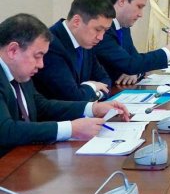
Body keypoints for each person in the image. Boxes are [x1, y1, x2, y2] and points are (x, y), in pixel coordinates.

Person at [0, 13, 129, 157]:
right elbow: (5, 131)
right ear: (13, 50)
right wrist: (71, 129)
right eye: (37, 56)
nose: (41, 64)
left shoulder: (19, 73)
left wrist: (92, 108)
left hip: (24, 157)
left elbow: (41, 106)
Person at [95, 0, 170, 85]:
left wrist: (137, 73)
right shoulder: (102, 31)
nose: (141, 14)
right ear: (122, 1)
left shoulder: (123, 27)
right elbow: (130, 64)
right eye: (139, 6)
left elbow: (136, 61)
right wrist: (169, 50)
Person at [33, 0, 114, 102]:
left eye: (105, 31)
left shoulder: (85, 41)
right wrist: (92, 87)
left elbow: (105, 80)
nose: (101, 37)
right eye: (98, 29)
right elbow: (72, 97)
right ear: (77, 21)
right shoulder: (51, 44)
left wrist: (95, 93)